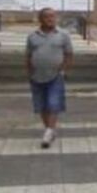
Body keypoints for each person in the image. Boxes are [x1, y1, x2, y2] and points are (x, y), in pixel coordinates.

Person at [25, 8, 73, 148]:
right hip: (36, 76)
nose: (51, 19)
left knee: (53, 103)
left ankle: (48, 132)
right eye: (47, 17)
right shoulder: (32, 36)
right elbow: (28, 55)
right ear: (41, 19)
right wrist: (29, 72)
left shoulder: (63, 35)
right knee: (41, 105)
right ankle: (49, 129)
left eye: (53, 16)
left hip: (56, 75)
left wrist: (64, 70)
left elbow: (69, 54)